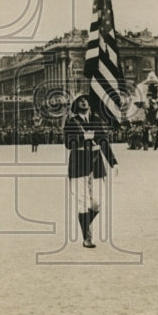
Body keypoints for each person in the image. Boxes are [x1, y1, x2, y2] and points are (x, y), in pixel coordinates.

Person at [63, 95, 119, 248]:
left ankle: (84, 224)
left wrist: (113, 162)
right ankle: (87, 238)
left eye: (86, 99)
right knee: (82, 201)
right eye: (80, 100)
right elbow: (68, 144)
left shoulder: (96, 120)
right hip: (79, 163)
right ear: (76, 104)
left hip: (96, 163)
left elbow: (103, 142)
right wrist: (82, 137)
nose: (84, 101)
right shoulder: (71, 122)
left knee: (97, 203)